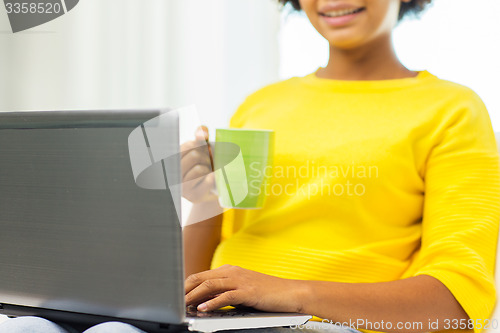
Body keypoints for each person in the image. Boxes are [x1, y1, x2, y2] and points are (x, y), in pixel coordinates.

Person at [3, 0, 499, 332]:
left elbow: (456, 306)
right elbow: (200, 275)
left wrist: (288, 293)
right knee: (32, 325)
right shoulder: (262, 105)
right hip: (223, 318)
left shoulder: (452, 109)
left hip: (329, 324)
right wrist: (203, 202)